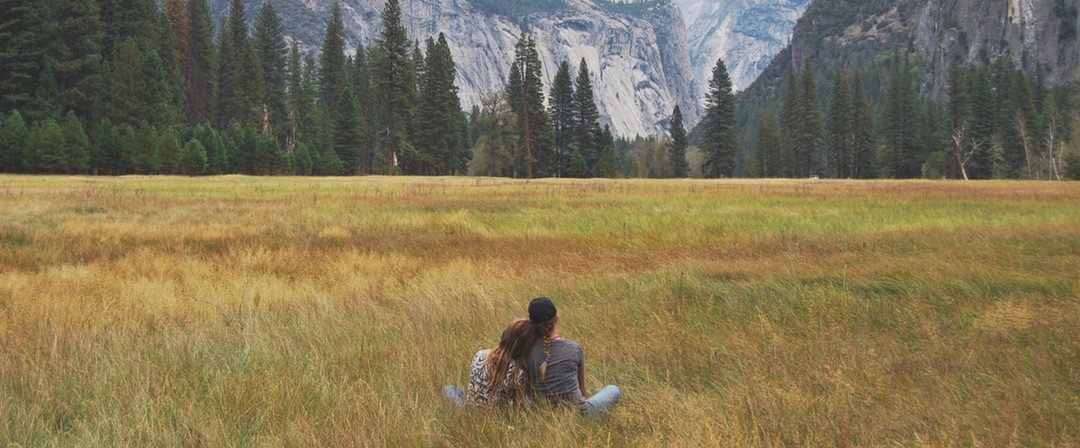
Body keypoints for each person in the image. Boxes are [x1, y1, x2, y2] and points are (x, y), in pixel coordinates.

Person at [525, 297, 620, 417]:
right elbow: (582, 390)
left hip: (541, 415)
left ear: (530, 323)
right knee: (613, 389)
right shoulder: (573, 348)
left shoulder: (525, 351)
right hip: (578, 413)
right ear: (557, 319)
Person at [444, 319, 537, 410]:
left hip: (471, 410)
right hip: (497, 417)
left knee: (449, 389)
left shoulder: (480, 354)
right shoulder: (518, 371)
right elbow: (520, 406)